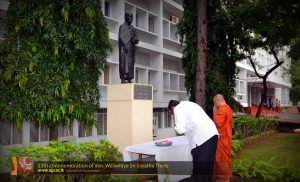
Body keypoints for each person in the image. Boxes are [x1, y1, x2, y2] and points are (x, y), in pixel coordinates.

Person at [168, 100, 219, 182]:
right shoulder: (190, 104)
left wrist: (175, 122)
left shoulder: (178, 108)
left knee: (200, 170)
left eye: (172, 113)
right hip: (213, 135)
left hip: (202, 139)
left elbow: (180, 130)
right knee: (208, 169)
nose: (173, 114)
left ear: (172, 108)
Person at [213, 94, 233, 182]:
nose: (215, 105)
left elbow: (217, 124)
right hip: (226, 137)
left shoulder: (222, 110)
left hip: (222, 139)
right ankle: (224, 177)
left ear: (218, 100)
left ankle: (223, 178)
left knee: (220, 159)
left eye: (215, 103)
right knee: (225, 158)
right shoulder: (228, 108)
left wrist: (214, 112)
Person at [118, 12, 139, 84]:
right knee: (123, 63)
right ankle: (123, 78)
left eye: (132, 17)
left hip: (131, 49)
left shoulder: (133, 29)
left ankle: (129, 78)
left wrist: (135, 40)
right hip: (124, 49)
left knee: (131, 64)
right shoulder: (122, 27)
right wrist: (124, 45)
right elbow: (121, 37)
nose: (131, 19)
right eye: (129, 17)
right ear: (125, 17)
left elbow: (136, 38)